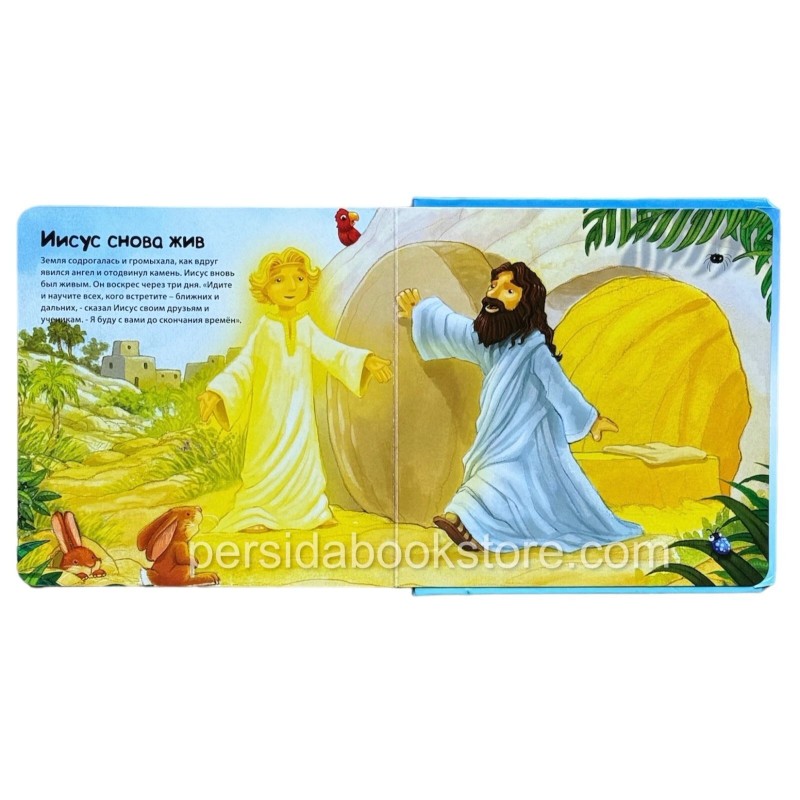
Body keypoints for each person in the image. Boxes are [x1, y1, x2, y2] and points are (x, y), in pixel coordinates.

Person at [397, 261, 642, 553]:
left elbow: (559, 388)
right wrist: (421, 314)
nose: (494, 295)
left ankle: (461, 519)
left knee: (497, 480)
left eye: (509, 290)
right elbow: (458, 331)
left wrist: (590, 419)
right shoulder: (490, 342)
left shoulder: (534, 348)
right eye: (493, 287)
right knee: (499, 483)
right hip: (498, 435)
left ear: (526, 304)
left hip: (530, 439)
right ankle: (471, 527)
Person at [199, 246, 392, 532]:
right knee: (266, 460)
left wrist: (365, 360)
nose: (291, 287)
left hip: (299, 413)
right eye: (279, 280)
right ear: (266, 288)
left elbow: (332, 352)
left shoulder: (306, 326)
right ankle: (257, 512)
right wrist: (217, 392)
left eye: (299, 279)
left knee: (303, 456)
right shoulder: (264, 329)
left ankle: (310, 511)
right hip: (268, 415)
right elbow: (244, 366)